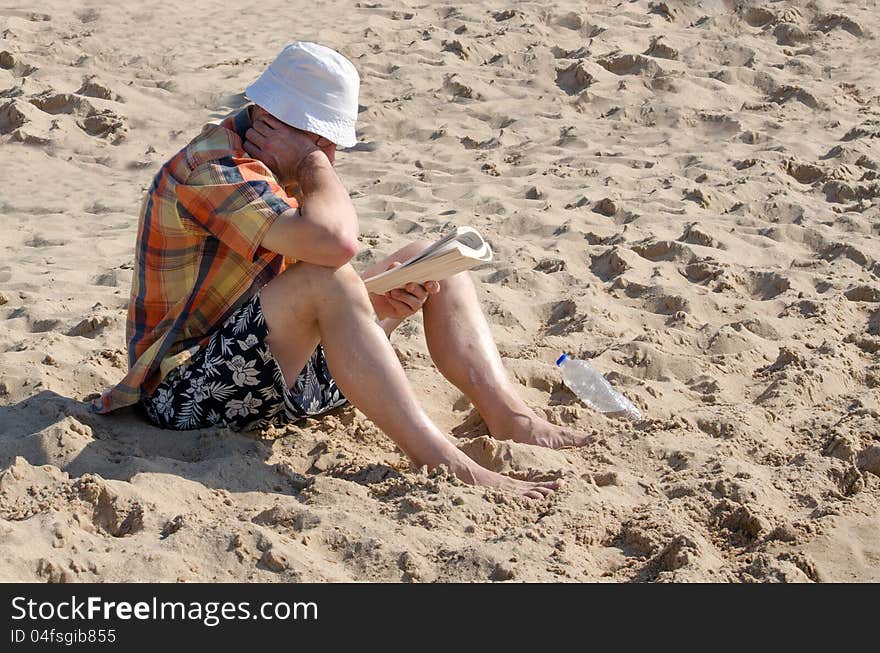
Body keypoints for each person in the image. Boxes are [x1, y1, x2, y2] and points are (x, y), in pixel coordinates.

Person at [95, 42, 591, 499]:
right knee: (328, 275)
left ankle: (510, 417)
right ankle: (447, 463)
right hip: (184, 396)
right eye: (321, 139)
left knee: (434, 257)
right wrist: (312, 162)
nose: (331, 156)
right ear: (269, 119)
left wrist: (376, 299)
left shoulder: (268, 157)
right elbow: (335, 246)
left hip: (269, 374)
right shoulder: (215, 170)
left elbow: (292, 290)